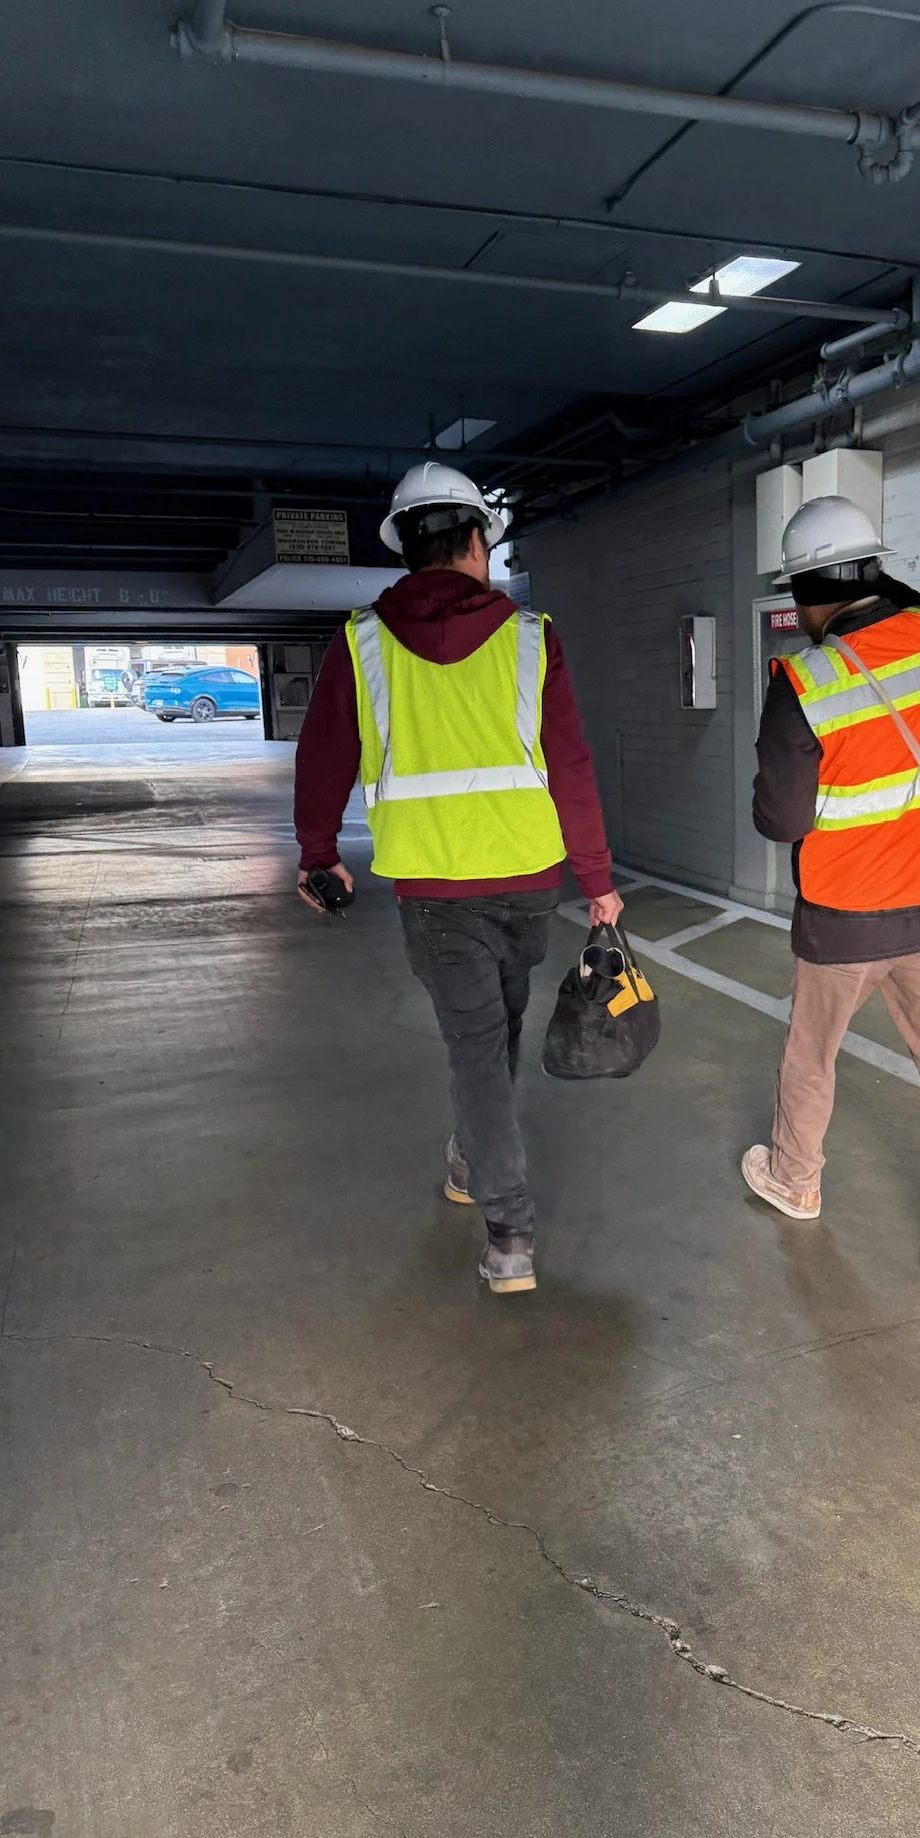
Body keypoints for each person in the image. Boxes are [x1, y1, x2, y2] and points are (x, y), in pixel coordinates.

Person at [294, 461, 622, 1297]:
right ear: (479, 540)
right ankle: (493, 1192)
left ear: (406, 546)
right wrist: (597, 878)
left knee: (485, 1040)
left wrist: (318, 850)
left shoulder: (360, 642)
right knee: (492, 1033)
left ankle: (507, 1226)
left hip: (434, 888)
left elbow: (324, 754)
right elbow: (571, 763)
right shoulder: (530, 636)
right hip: (525, 880)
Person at [741, 495, 920, 1297]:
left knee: (811, 1056)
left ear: (800, 592)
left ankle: (796, 1179)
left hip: (840, 913)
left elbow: (780, 817)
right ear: (875, 566)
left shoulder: (805, 677)